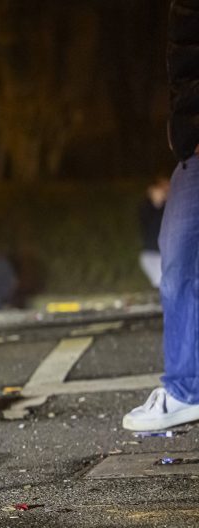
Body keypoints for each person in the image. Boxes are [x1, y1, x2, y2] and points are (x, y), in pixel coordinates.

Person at [124, 0, 199, 431]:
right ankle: (187, 389)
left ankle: (187, 389)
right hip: (193, 149)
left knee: (180, 257)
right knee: (177, 257)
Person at [138, 176, 169, 288]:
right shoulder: (146, 208)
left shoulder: (169, 207)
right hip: (152, 254)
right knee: (164, 284)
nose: (165, 192)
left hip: (166, 254)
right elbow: (152, 224)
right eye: (162, 188)